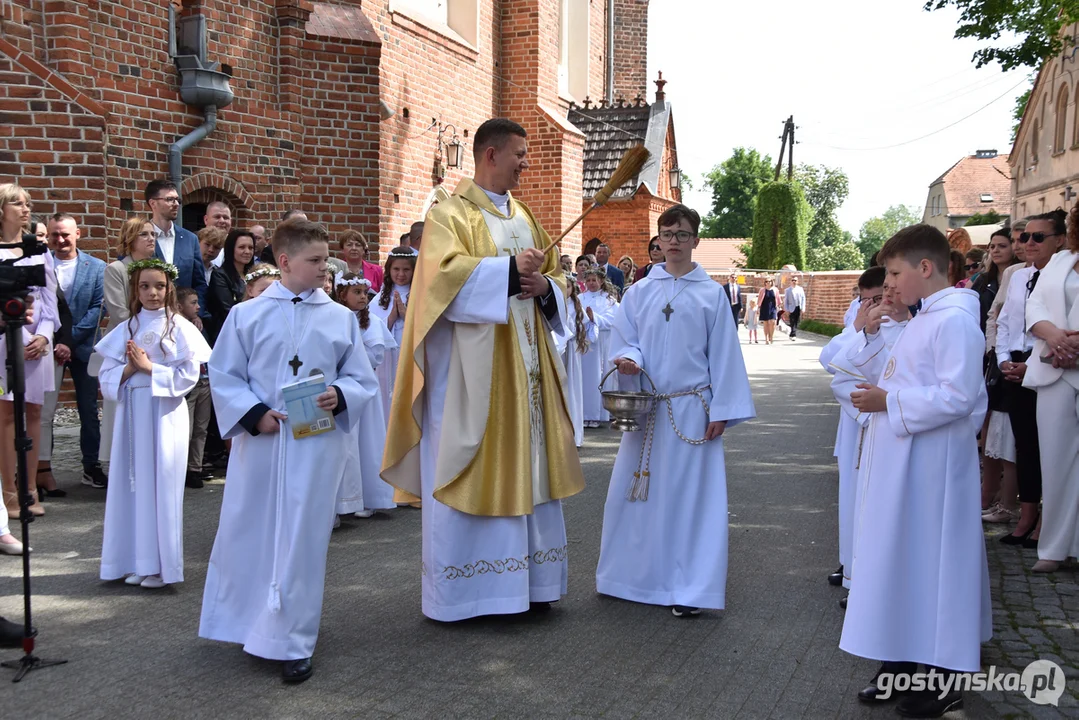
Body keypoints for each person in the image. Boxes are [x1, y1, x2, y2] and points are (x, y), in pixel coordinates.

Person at [380, 117, 585, 622]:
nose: (526, 163)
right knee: (470, 465)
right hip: (473, 381)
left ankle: (531, 588)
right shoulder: (450, 215)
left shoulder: (527, 218)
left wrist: (548, 289)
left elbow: (558, 277)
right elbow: (439, 282)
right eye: (519, 154)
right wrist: (512, 272)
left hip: (528, 374)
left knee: (531, 467)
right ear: (490, 154)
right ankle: (471, 597)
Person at [199, 218, 378, 683]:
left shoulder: (339, 318)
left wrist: (340, 394)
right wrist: (254, 414)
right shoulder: (247, 315)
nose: (325, 270)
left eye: (326, 261)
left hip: (316, 444)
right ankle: (247, 622)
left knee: (302, 539)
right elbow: (224, 375)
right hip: (263, 442)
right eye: (315, 261)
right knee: (250, 530)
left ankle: (293, 639)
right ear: (284, 262)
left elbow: (361, 378)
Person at [843, 224, 990, 716]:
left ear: (925, 269)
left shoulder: (955, 322)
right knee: (904, 564)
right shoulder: (925, 319)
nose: (890, 282)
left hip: (933, 470)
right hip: (904, 464)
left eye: (895, 272)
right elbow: (894, 373)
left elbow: (959, 396)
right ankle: (903, 666)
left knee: (934, 566)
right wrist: (880, 395)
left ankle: (941, 679)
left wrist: (891, 402)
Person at [596, 205, 755, 618]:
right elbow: (625, 338)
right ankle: (630, 578)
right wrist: (628, 359)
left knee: (691, 501)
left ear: (696, 240)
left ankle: (690, 588)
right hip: (647, 410)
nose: (673, 242)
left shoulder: (710, 294)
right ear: (658, 239)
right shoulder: (640, 291)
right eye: (667, 234)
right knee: (636, 495)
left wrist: (723, 408)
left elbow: (724, 354)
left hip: (691, 410)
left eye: (682, 234)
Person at [97, 258, 211, 589]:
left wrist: (150, 369)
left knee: (161, 485)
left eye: (159, 286)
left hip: (164, 414)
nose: (152, 293)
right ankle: (134, 560)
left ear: (169, 288)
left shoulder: (180, 328)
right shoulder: (127, 328)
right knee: (131, 486)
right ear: (136, 289)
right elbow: (105, 376)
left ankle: (162, 567)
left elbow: (189, 375)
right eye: (145, 286)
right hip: (132, 416)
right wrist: (129, 370)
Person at [996, 211, 1066, 546]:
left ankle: (1048, 522)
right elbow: (1006, 320)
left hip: (1049, 365)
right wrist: (1004, 360)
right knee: (1024, 446)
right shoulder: (1020, 276)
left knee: (1050, 448)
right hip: (1017, 363)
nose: (1029, 243)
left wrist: (1032, 365)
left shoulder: (1064, 277)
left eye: (1039, 237)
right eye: (1026, 237)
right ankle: (1026, 517)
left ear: (1060, 240)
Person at [817, 266, 886, 592]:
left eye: (877, 298)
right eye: (864, 299)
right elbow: (829, 359)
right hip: (855, 420)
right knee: (850, 497)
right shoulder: (858, 322)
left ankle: (868, 573)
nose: (871, 305)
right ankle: (849, 564)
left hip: (887, 422)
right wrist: (857, 328)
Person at [1024, 207, 1079, 573]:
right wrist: (1055, 336)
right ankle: (1055, 548)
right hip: (1054, 369)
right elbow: (1035, 306)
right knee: (1056, 462)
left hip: (1070, 358)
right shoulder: (1061, 261)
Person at [0, 184, 57, 519]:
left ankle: (29, 490)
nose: (25, 209)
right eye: (17, 203)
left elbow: (49, 301)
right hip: (5, 342)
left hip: (38, 344)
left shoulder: (38, 249)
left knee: (34, 413)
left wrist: (45, 337)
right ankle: (8, 494)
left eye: (28, 204)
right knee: (7, 415)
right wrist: (18, 336)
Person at [39, 213, 107, 491]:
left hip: (85, 346)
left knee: (89, 410)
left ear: (77, 233)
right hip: (49, 347)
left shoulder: (97, 267)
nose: (60, 239)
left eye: (65, 234)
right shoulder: (41, 264)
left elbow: (98, 307)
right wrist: (56, 341)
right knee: (44, 411)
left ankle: (91, 466)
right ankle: (42, 467)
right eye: (55, 234)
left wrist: (69, 339)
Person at [90, 216, 159, 486]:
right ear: (130, 239)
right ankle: (117, 465)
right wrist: (146, 324)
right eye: (144, 234)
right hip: (125, 341)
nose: (151, 239)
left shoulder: (158, 268)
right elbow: (118, 310)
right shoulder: (117, 269)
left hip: (155, 342)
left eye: (153, 234)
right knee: (117, 403)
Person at [333, 273, 397, 518]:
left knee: (367, 441)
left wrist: (351, 354)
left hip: (363, 389)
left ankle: (370, 496)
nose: (362, 297)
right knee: (345, 444)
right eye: (356, 292)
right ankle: (343, 499)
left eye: (364, 293)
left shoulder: (371, 323)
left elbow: (375, 356)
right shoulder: (335, 318)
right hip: (340, 388)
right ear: (342, 295)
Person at [975, 228, 1020, 524]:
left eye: (1002, 245)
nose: (996, 250)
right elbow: (990, 317)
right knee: (990, 432)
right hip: (992, 360)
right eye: (992, 246)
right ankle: (986, 494)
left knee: (1007, 437)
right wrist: (990, 350)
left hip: (1013, 361)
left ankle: (1006, 500)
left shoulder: (1018, 275)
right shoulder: (986, 281)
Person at [145, 180, 208, 324]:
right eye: (169, 199)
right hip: (151, 317)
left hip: (184, 318)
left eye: (177, 200)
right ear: (153, 203)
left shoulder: (190, 239)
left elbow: (199, 282)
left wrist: (197, 313)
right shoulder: (141, 237)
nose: (176, 204)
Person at [554, 280, 595, 448]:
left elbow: (587, 328)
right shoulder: (555, 302)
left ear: (573, 289)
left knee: (573, 388)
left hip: (571, 350)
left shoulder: (577, 306)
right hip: (558, 350)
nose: (565, 290)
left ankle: (574, 434)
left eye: (568, 287)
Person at [177, 287, 212, 489]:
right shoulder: (177, 326)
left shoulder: (199, 325)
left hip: (205, 380)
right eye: (193, 303)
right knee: (186, 429)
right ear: (180, 306)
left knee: (201, 427)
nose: (198, 307)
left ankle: (195, 467)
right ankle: (180, 468)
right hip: (190, 384)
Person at [579, 267, 618, 428]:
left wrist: (594, 318)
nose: (591, 283)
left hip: (602, 341)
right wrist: (585, 320)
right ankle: (584, 413)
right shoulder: (580, 298)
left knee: (600, 375)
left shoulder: (609, 300)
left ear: (601, 281)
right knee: (585, 378)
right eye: (588, 280)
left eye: (594, 280)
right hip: (584, 342)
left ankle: (599, 413)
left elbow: (614, 318)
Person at [206, 229, 255, 344]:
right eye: (242, 247)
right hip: (230, 333)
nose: (247, 251)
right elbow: (227, 309)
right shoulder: (220, 275)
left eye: (251, 248)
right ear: (231, 249)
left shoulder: (254, 274)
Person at [784, 275, 806, 340]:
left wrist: (803, 307)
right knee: (792, 320)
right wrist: (786, 309)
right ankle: (793, 334)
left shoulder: (800, 289)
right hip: (791, 307)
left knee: (796, 320)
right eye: (792, 280)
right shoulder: (788, 290)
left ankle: (792, 333)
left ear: (797, 282)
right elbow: (786, 300)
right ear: (790, 281)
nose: (794, 282)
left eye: (795, 280)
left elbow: (803, 298)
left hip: (798, 307)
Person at [758, 278, 778, 344]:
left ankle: (771, 337)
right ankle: (766, 338)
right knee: (766, 323)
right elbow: (759, 299)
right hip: (764, 307)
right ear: (765, 282)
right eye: (766, 281)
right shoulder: (762, 290)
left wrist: (780, 305)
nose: (768, 283)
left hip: (773, 307)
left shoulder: (775, 290)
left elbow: (778, 298)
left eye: (769, 281)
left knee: (772, 322)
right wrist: (758, 308)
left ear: (772, 282)